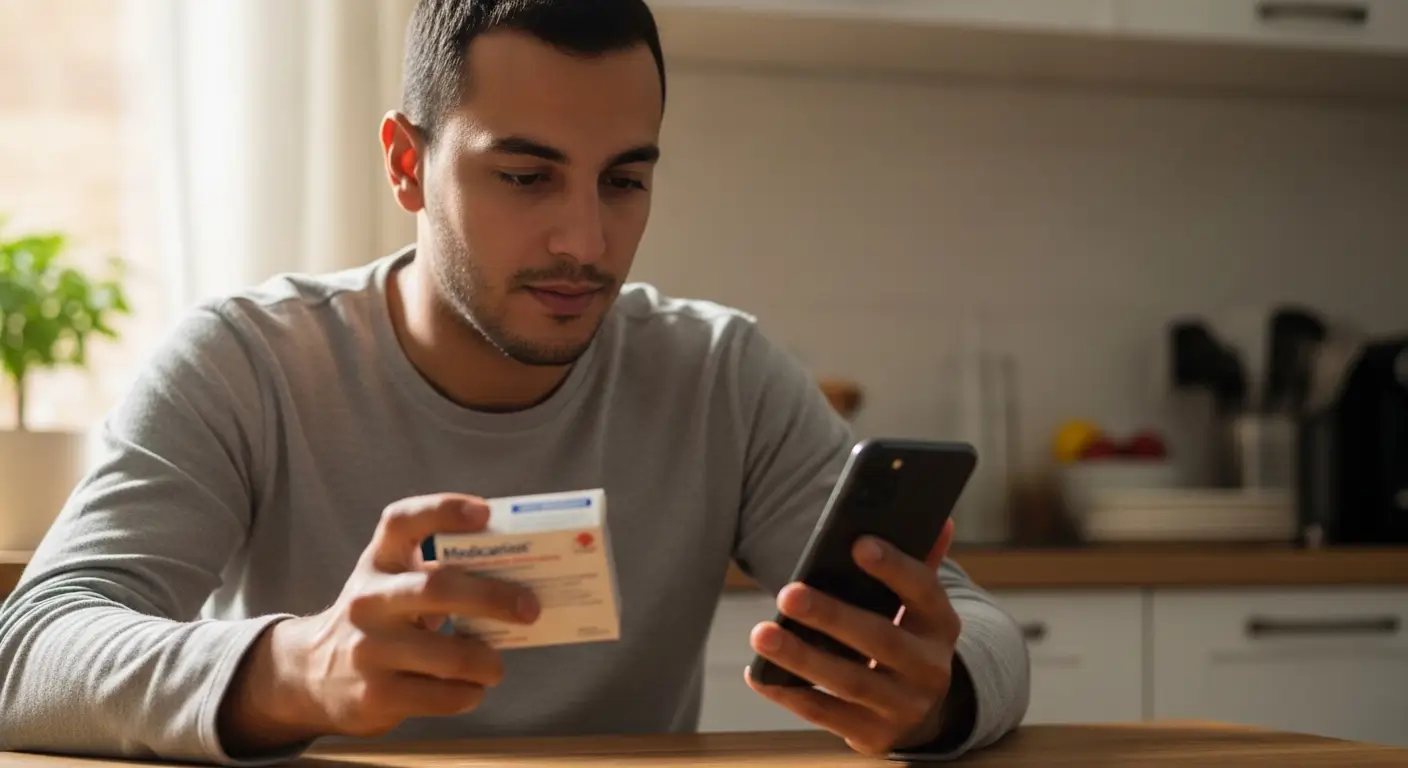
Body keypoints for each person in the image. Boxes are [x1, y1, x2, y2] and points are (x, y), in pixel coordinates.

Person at [0, 1, 1030, 764]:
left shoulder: (719, 378)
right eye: (525, 176)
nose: (586, 242)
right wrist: (295, 668)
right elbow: (31, 651)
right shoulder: (245, 364)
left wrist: (935, 697)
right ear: (408, 164)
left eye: (624, 180)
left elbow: (981, 630)